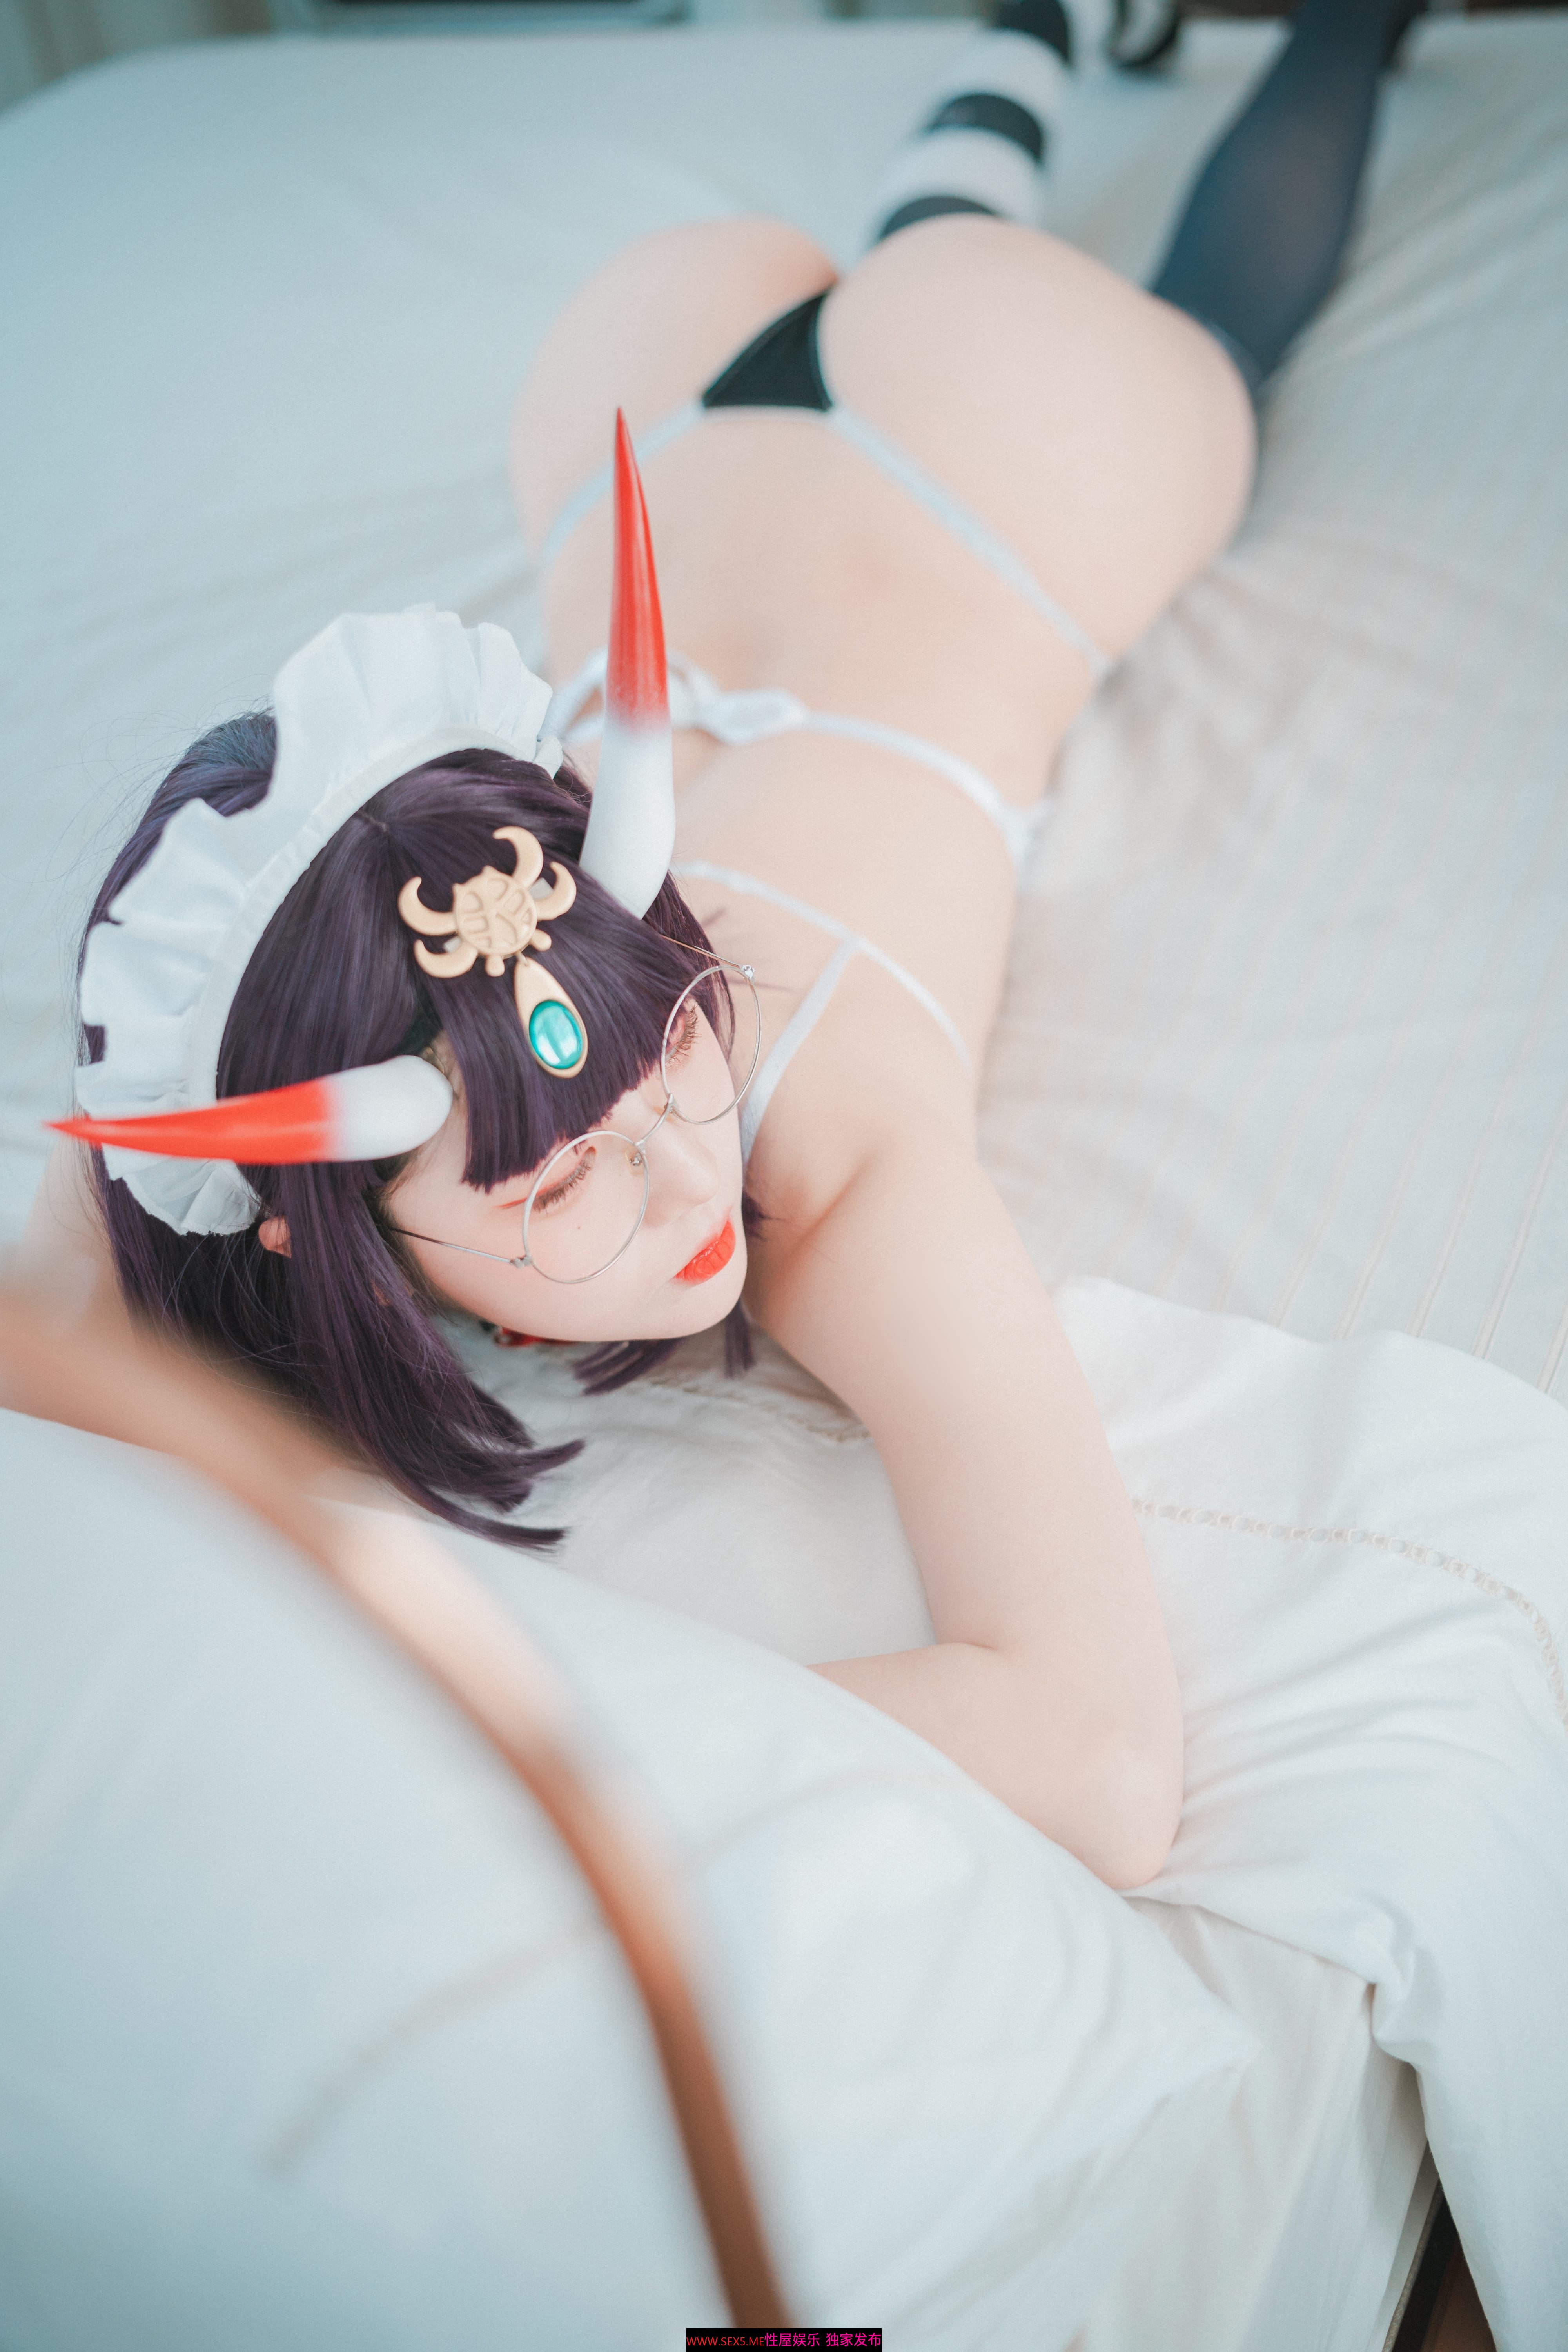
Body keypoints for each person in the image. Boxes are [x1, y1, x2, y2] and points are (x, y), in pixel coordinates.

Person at [31, 0, 1421, 1891]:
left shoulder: (816, 1148)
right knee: (949, 252)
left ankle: (1322, 27)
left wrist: (529, 1750)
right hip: (653, 389)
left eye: (678, 1034)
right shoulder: (297, 1162)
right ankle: (1020, 55)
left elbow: (1099, 1760)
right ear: (306, 1221)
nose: (693, 1181)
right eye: (560, 1185)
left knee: (1213, 333)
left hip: (997, 448)